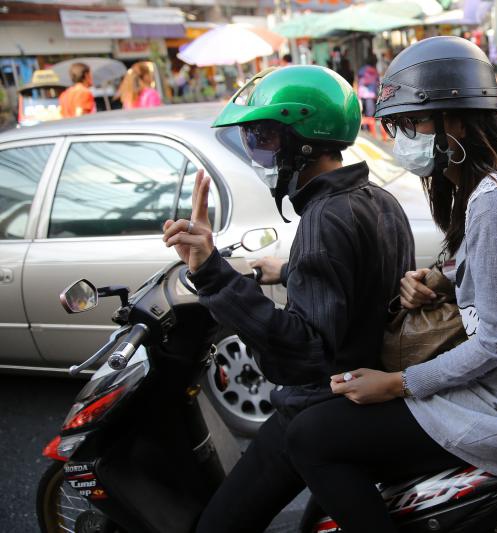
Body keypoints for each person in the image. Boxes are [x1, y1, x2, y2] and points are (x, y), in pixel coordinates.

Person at [281, 36, 497, 532]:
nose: (404, 138)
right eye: (397, 125)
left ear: (459, 119)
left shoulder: (496, 201)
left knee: (309, 437)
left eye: (414, 123)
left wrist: (397, 385)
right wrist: (443, 279)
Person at [161, 65, 415, 532]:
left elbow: (303, 351)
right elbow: (359, 283)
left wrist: (211, 272)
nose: (258, 152)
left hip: (320, 402)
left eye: (264, 137)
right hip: (364, 390)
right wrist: (291, 269)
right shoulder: (379, 200)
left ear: (302, 140)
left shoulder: (324, 219)